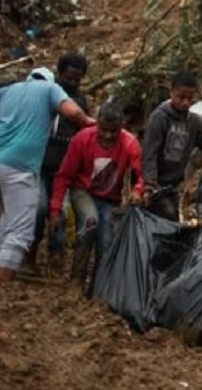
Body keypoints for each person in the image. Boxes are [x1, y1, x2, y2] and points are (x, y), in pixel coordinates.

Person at [0, 68, 93, 281]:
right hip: (19, 167)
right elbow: (72, 112)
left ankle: (1, 267)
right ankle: (4, 281)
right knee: (20, 230)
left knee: (10, 218)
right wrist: (91, 123)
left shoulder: (10, 89)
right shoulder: (51, 89)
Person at [49, 101, 143, 280]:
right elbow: (64, 175)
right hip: (83, 191)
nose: (108, 136)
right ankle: (77, 279)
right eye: (103, 130)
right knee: (90, 222)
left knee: (106, 241)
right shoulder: (82, 139)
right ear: (97, 124)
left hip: (110, 199)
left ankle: (99, 287)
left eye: (113, 131)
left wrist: (137, 190)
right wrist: (55, 208)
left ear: (121, 127)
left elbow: (142, 174)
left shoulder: (130, 144)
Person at [32, 52, 90, 272]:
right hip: (39, 161)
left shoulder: (80, 101)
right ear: (59, 73)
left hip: (64, 167)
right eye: (68, 78)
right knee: (38, 208)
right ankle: (31, 249)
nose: (72, 83)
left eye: (77, 79)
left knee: (62, 212)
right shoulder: (46, 92)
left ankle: (56, 258)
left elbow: (83, 133)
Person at [141, 71, 202, 221]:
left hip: (174, 184)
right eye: (181, 97)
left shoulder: (194, 122)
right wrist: (149, 186)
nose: (185, 102)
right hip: (157, 184)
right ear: (171, 92)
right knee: (167, 217)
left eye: (189, 98)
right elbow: (150, 153)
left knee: (171, 221)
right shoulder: (160, 117)